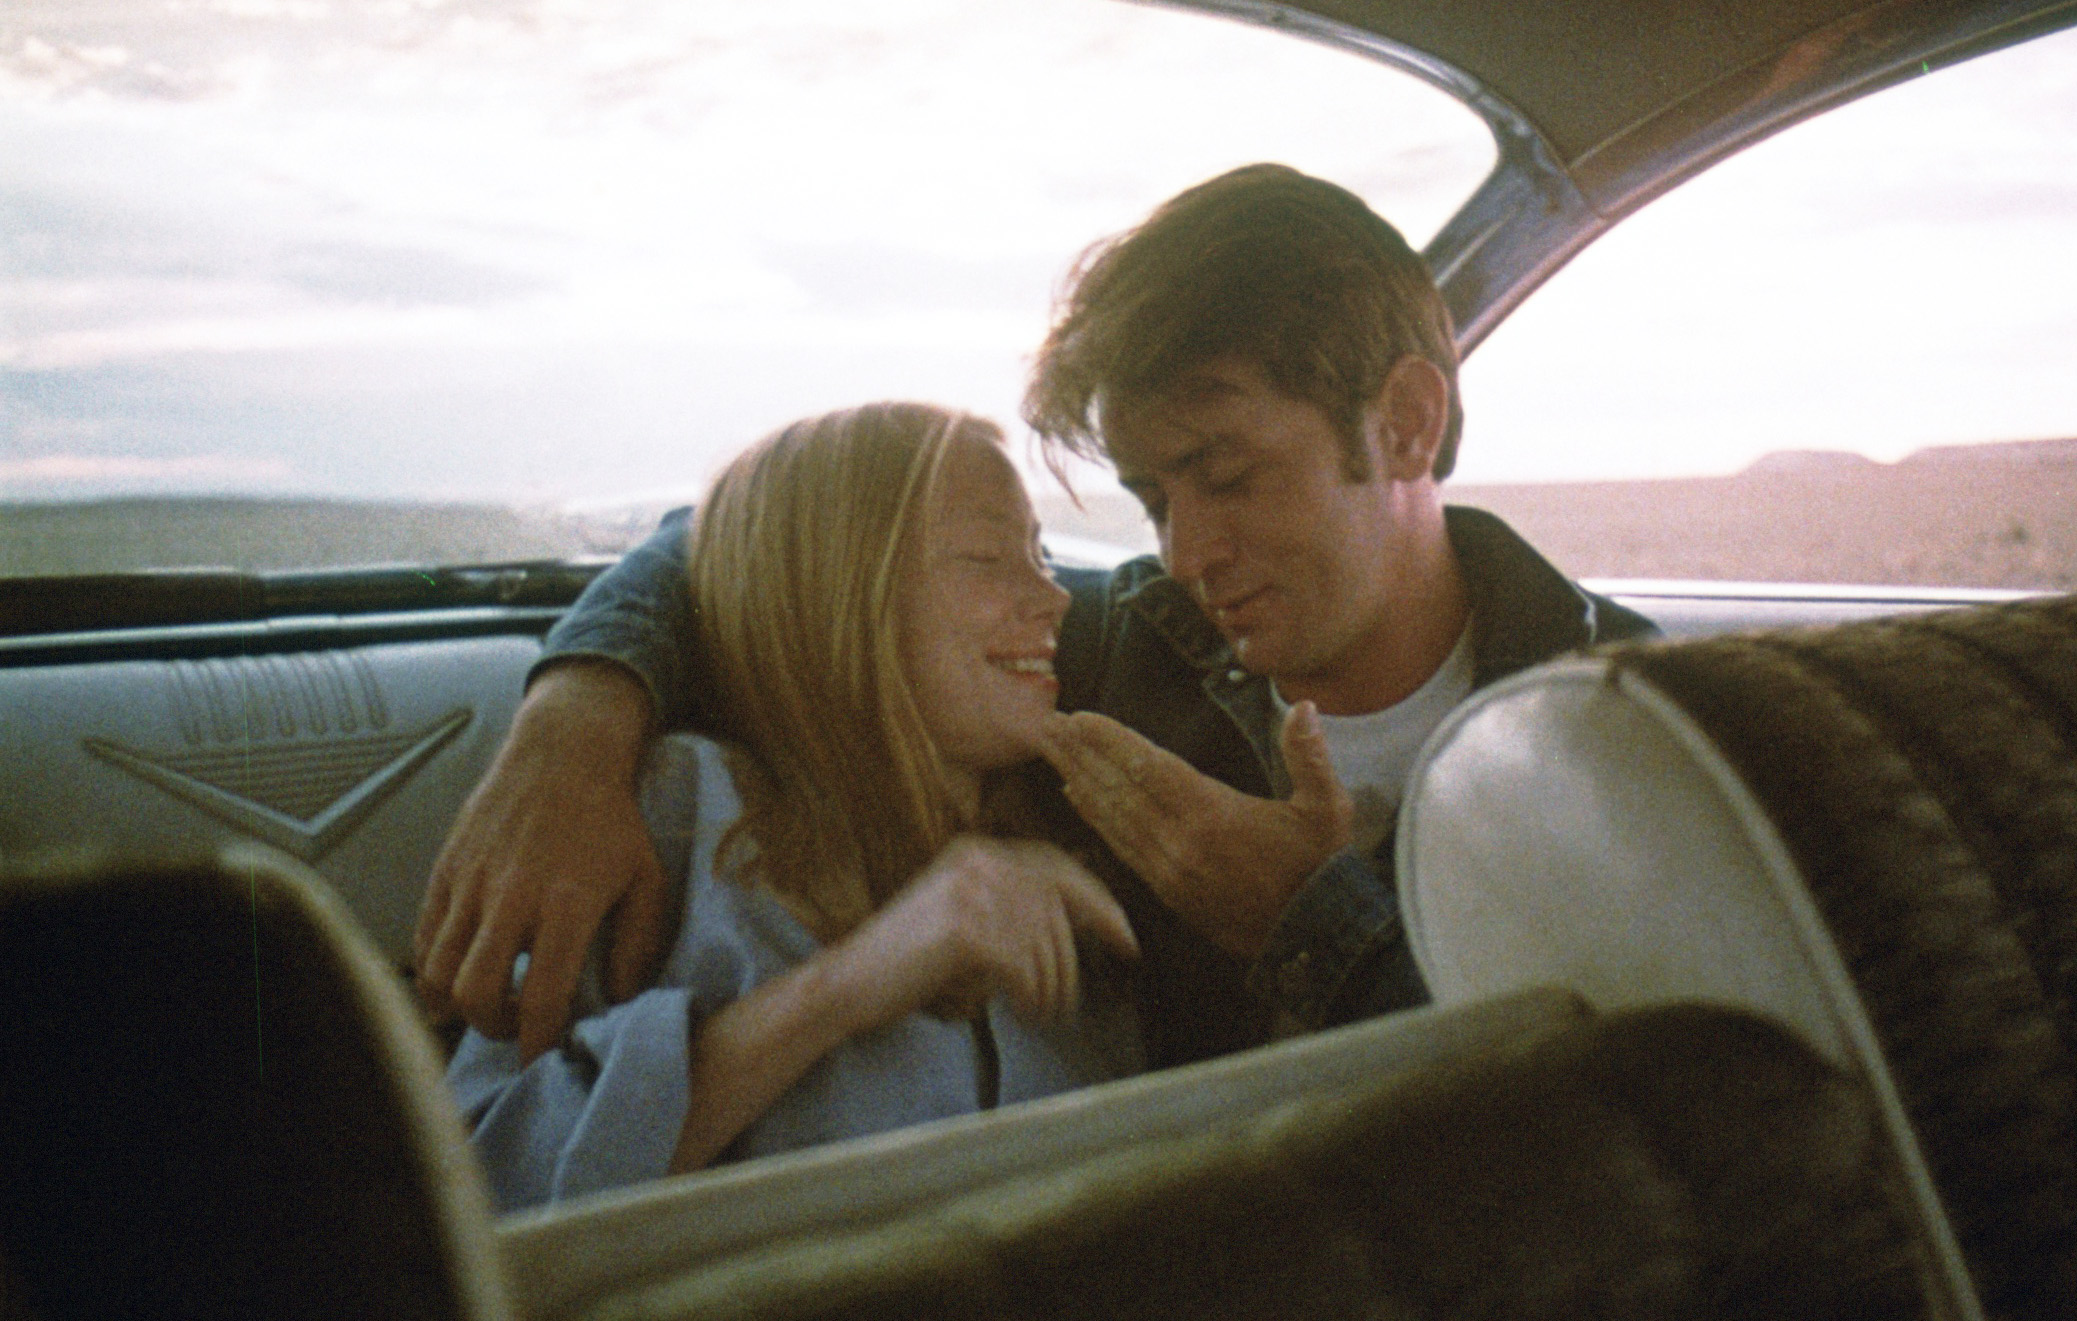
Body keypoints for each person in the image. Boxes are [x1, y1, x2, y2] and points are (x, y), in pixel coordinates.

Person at [416, 163, 1656, 1072]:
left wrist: (1314, 930)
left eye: (1225, 476)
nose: (1185, 553)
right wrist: (572, 731)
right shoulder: (1124, 648)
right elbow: (761, 544)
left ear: (1405, 423)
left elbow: (1650, 1115)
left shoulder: (1641, 733)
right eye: (1152, 498)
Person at [444, 403, 1143, 1211]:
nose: (1053, 597)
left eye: (1041, 553)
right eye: (987, 557)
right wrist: (842, 989)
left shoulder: (1082, 833)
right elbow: (476, 1200)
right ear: (838, 597)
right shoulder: (674, 813)